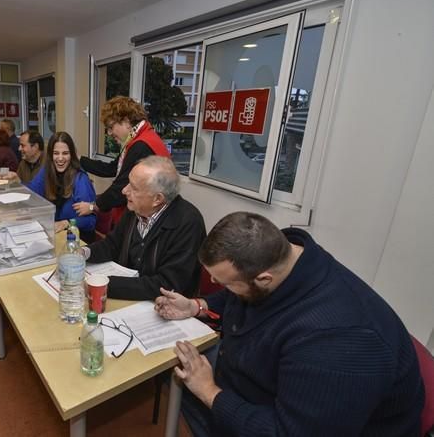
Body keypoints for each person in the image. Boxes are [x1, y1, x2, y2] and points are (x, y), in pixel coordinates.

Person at [155, 212, 424, 437]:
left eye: (223, 282)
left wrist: (209, 391)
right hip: (254, 386)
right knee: (176, 379)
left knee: (187, 388)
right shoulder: (285, 258)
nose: (216, 285)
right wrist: (196, 307)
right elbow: (238, 296)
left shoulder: (336, 339)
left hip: (290, 422)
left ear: (263, 279)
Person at [85, 156, 205, 300]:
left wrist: (105, 285)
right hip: (129, 297)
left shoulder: (188, 223)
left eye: (134, 188)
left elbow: (167, 284)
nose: (124, 191)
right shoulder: (135, 209)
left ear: (157, 199)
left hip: (163, 307)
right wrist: (83, 253)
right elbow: (112, 245)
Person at [74, 96, 170, 228]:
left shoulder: (141, 146)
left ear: (126, 121)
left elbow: (120, 189)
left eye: (110, 127)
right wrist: (80, 159)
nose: (109, 133)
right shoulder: (138, 140)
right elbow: (111, 168)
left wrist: (92, 206)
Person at [0, 131, 97, 242]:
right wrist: (17, 181)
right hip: (55, 235)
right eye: (56, 153)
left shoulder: (80, 180)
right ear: (50, 155)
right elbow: (32, 193)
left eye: (65, 153)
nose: (60, 158)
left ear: (71, 155)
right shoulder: (47, 171)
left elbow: (91, 221)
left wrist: (66, 223)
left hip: (78, 240)